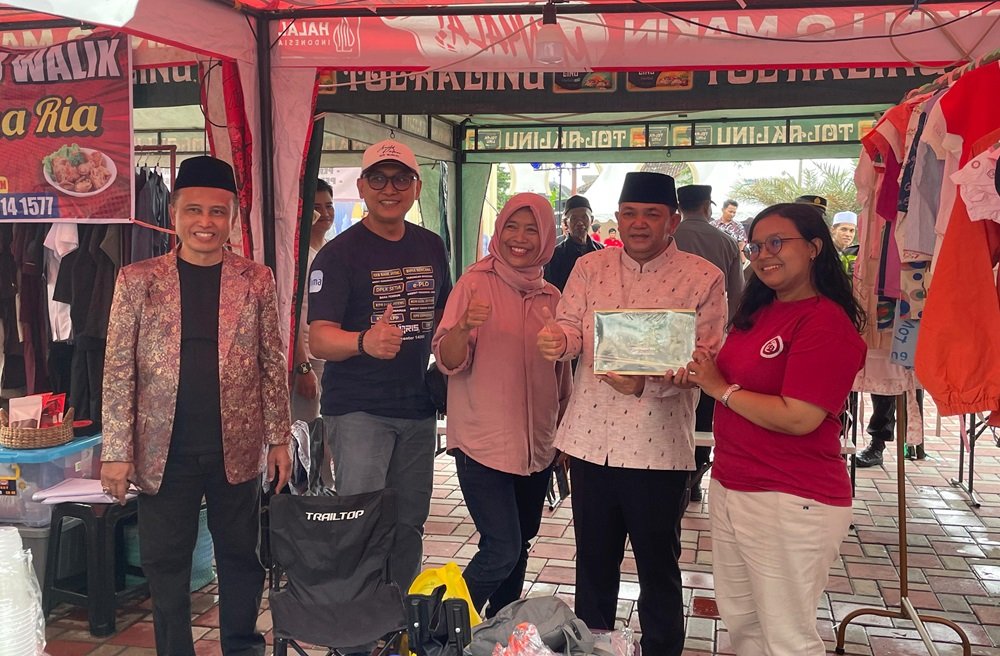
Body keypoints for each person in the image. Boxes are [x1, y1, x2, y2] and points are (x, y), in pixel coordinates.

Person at [101, 155, 292, 656]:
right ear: (175, 215)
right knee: (165, 562)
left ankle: (242, 646)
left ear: (232, 218)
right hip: (163, 451)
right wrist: (116, 452)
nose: (205, 222)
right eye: (193, 210)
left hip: (237, 447)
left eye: (216, 211)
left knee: (241, 558)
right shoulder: (137, 280)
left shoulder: (256, 279)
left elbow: (271, 361)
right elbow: (118, 371)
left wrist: (279, 437)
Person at [537, 171, 726, 656]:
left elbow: (705, 357)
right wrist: (559, 342)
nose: (638, 223)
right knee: (593, 563)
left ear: (673, 221)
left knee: (657, 565)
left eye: (651, 214)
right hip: (590, 442)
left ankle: (661, 648)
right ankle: (593, 648)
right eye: (629, 213)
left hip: (657, 447)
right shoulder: (589, 268)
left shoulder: (703, 277)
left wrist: (649, 382)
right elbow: (570, 326)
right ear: (618, 218)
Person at [682, 202, 866, 656]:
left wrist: (720, 389)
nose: (765, 254)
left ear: (815, 247)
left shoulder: (825, 321)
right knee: (744, 624)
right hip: (733, 484)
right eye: (757, 246)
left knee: (787, 638)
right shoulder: (760, 310)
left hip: (790, 496)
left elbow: (799, 417)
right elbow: (734, 378)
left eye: (777, 242)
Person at [308, 139, 452, 595]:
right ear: (362, 187)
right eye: (378, 179)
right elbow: (319, 338)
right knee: (362, 522)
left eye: (401, 179)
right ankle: (357, 619)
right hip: (359, 411)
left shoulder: (431, 246)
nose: (389, 189)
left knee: (409, 523)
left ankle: (401, 614)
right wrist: (364, 341)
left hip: (417, 409)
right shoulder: (338, 255)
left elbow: (444, 318)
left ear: (417, 187)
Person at [433, 193, 572, 617]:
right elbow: (448, 360)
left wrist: (562, 435)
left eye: (532, 229)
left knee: (520, 541)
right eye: (512, 226)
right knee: (501, 547)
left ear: (546, 236)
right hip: (483, 442)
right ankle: (439, 630)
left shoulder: (551, 296)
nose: (520, 238)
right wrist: (463, 326)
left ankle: (500, 622)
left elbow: (562, 375)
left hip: (537, 446)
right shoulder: (475, 284)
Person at [674, 184, 745, 502]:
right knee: (703, 409)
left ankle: (672, 475)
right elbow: (737, 295)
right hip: (709, 340)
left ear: (679, 208)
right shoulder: (726, 241)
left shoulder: (668, 237)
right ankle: (694, 478)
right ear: (707, 206)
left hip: (664, 339)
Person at [291, 179, 334, 425]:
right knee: (305, 431)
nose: (325, 213)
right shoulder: (297, 255)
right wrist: (302, 365)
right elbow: (292, 312)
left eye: (329, 205)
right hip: (307, 356)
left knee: (326, 433)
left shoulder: (330, 250)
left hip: (329, 354)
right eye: (317, 207)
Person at [544, 194, 604, 292]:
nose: (580, 222)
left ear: (592, 220)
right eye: (574, 218)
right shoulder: (555, 255)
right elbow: (551, 290)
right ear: (565, 223)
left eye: (584, 217)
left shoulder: (600, 251)